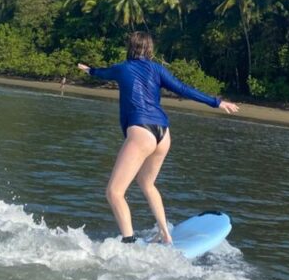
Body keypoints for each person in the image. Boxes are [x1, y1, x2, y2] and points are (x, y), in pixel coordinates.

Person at [77, 31, 239, 245]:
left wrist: (89, 70)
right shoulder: (157, 69)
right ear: (150, 49)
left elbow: (102, 73)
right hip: (163, 133)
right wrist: (216, 102)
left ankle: (129, 242)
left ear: (130, 47)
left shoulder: (122, 68)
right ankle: (165, 234)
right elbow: (184, 89)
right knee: (147, 183)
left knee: (114, 192)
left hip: (141, 131)